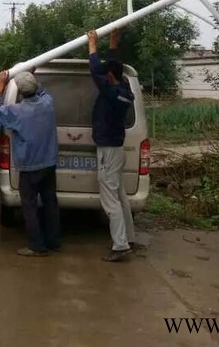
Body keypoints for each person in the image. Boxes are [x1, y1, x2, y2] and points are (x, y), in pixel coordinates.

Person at [0, 71, 60, 257]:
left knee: (29, 207)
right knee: (50, 203)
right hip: (48, 163)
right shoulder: (48, 103)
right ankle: (53, 241)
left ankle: (37, 246)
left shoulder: (17, 111)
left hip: (29, 167)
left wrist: (0, 87)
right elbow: (42, 91)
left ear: (20, 92)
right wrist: (32, 74)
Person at [87, 29, 136, 262]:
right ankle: (129, 237)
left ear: (109, 77)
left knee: (110, 199)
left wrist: (92, 45)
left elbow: (95, 69)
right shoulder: (124, 91)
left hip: (108, 150)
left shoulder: (109, 92)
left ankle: (120, 246)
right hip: (116, 149)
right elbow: (113, 65)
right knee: (120, 195)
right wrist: (113, 42)